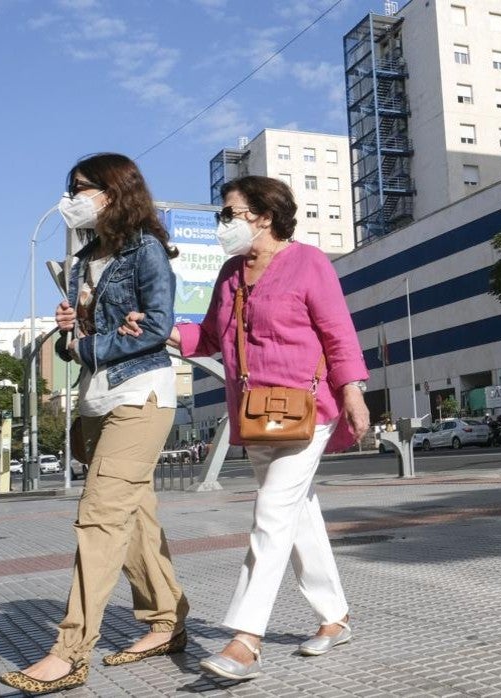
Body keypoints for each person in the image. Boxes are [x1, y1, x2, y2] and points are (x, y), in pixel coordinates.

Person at [120, 175, 370, 681]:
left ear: (264, 214)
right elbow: (209, 335)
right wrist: (158, 329)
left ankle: (246, 639)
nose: (222, 224)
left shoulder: (308, 263)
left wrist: (352, 391)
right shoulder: (232, 272)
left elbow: (337, 333)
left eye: (229, 213)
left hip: (307, 408)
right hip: (255, 412)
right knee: (296, 516)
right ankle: (335, 617)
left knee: (272, 513)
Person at [0, 153, 189, 696]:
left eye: (80, 188)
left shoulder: (146, 250)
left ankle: (70, 650)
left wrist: (87, 342)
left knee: (101, 515)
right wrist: (69, 333)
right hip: (97, 399)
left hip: (141, 393)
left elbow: (156, 325)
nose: (70, 199)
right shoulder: (84, 261)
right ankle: (165, 621)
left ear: (112, 191)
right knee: (135, 517)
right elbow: (79, 340)